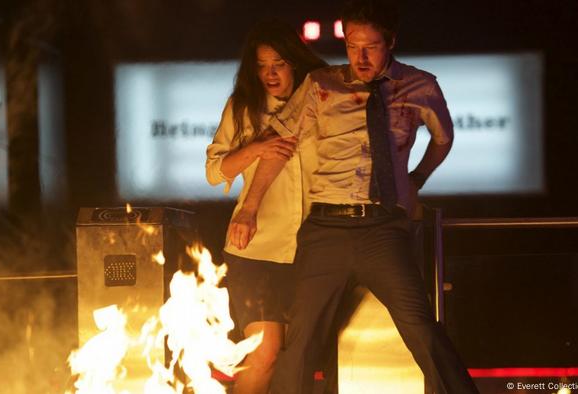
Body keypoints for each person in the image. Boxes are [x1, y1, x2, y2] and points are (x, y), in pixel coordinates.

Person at [231, 1, 480, 393]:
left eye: (371, 46)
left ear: (390, 42)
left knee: (423, 330)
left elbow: (443, 138)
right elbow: (280, 146)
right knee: (301, 342)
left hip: (382, 229)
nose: (360, 57)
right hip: (326, 227)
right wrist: (249, 207)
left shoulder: (421, 85)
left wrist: (417, 177)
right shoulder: (321, 84)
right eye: (351, 45)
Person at [205, 19, 327, 394]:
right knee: (265, 352)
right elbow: (214, 171)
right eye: (261, 65)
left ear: (294, 62)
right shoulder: (243, 107)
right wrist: (256, 148)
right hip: (255, 248)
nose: (270, 74)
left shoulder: (321, 103)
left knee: (294, 359)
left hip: (311, 247)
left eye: (278, 63)